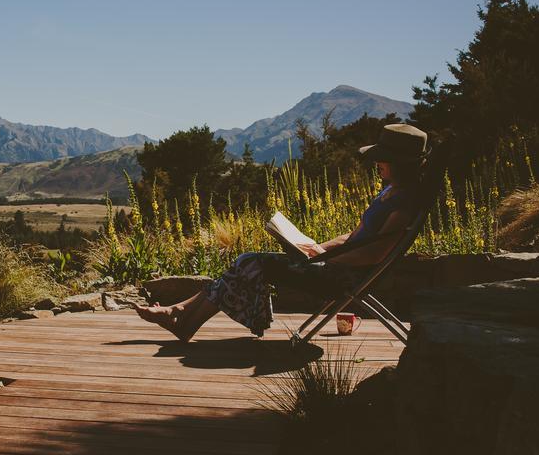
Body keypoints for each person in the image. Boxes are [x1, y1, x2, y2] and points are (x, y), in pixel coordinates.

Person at [134, 123, 429, 341]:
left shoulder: (404, 201)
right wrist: (320, 247)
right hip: (335, 264)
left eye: (382, 159)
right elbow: (356, 236)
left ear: (398, 162)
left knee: (250, 262)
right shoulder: (390, 191)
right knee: (248, 262)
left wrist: (329, 259)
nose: (376, 164)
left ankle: (182, 317)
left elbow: (377, 251)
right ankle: (182, 316)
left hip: (342, 276)